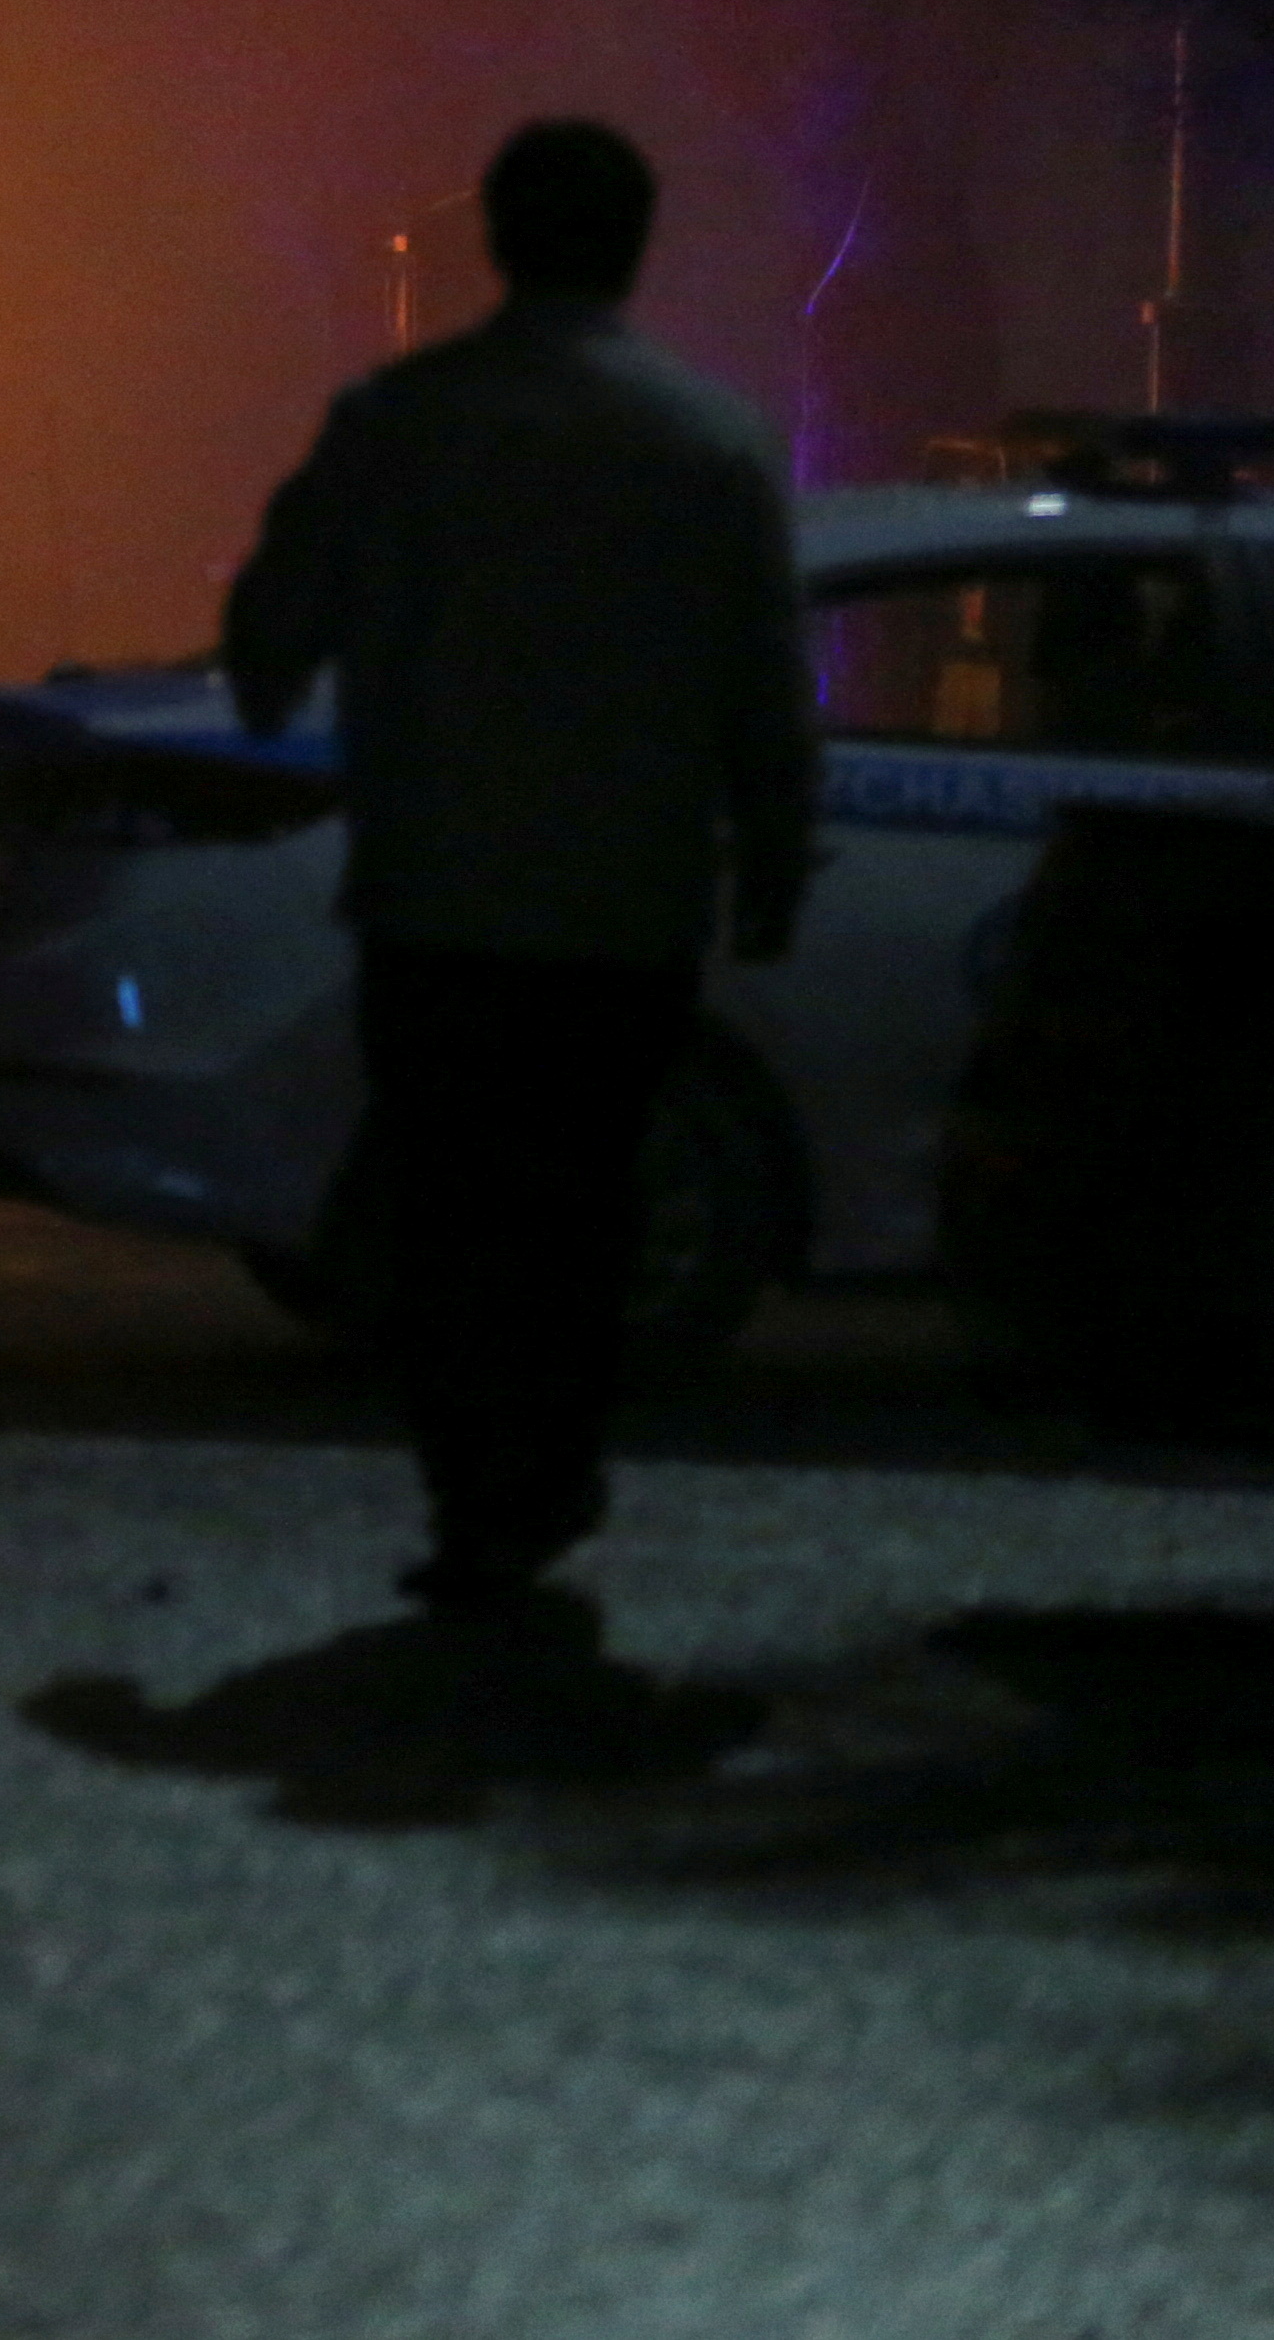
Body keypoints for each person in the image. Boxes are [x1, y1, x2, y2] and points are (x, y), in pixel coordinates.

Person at [221, 119, 815, 1609]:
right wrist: (776, 857)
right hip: (622, 914)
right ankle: (545, 1468)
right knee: (579, 1201)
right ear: (636, 246)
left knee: (450, 1200)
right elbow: (763, 684)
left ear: (493, 239)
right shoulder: (709, 444)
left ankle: (475, 1485)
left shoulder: (401, 423)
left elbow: (269, 632)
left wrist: (289, 674)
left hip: (438, 903)